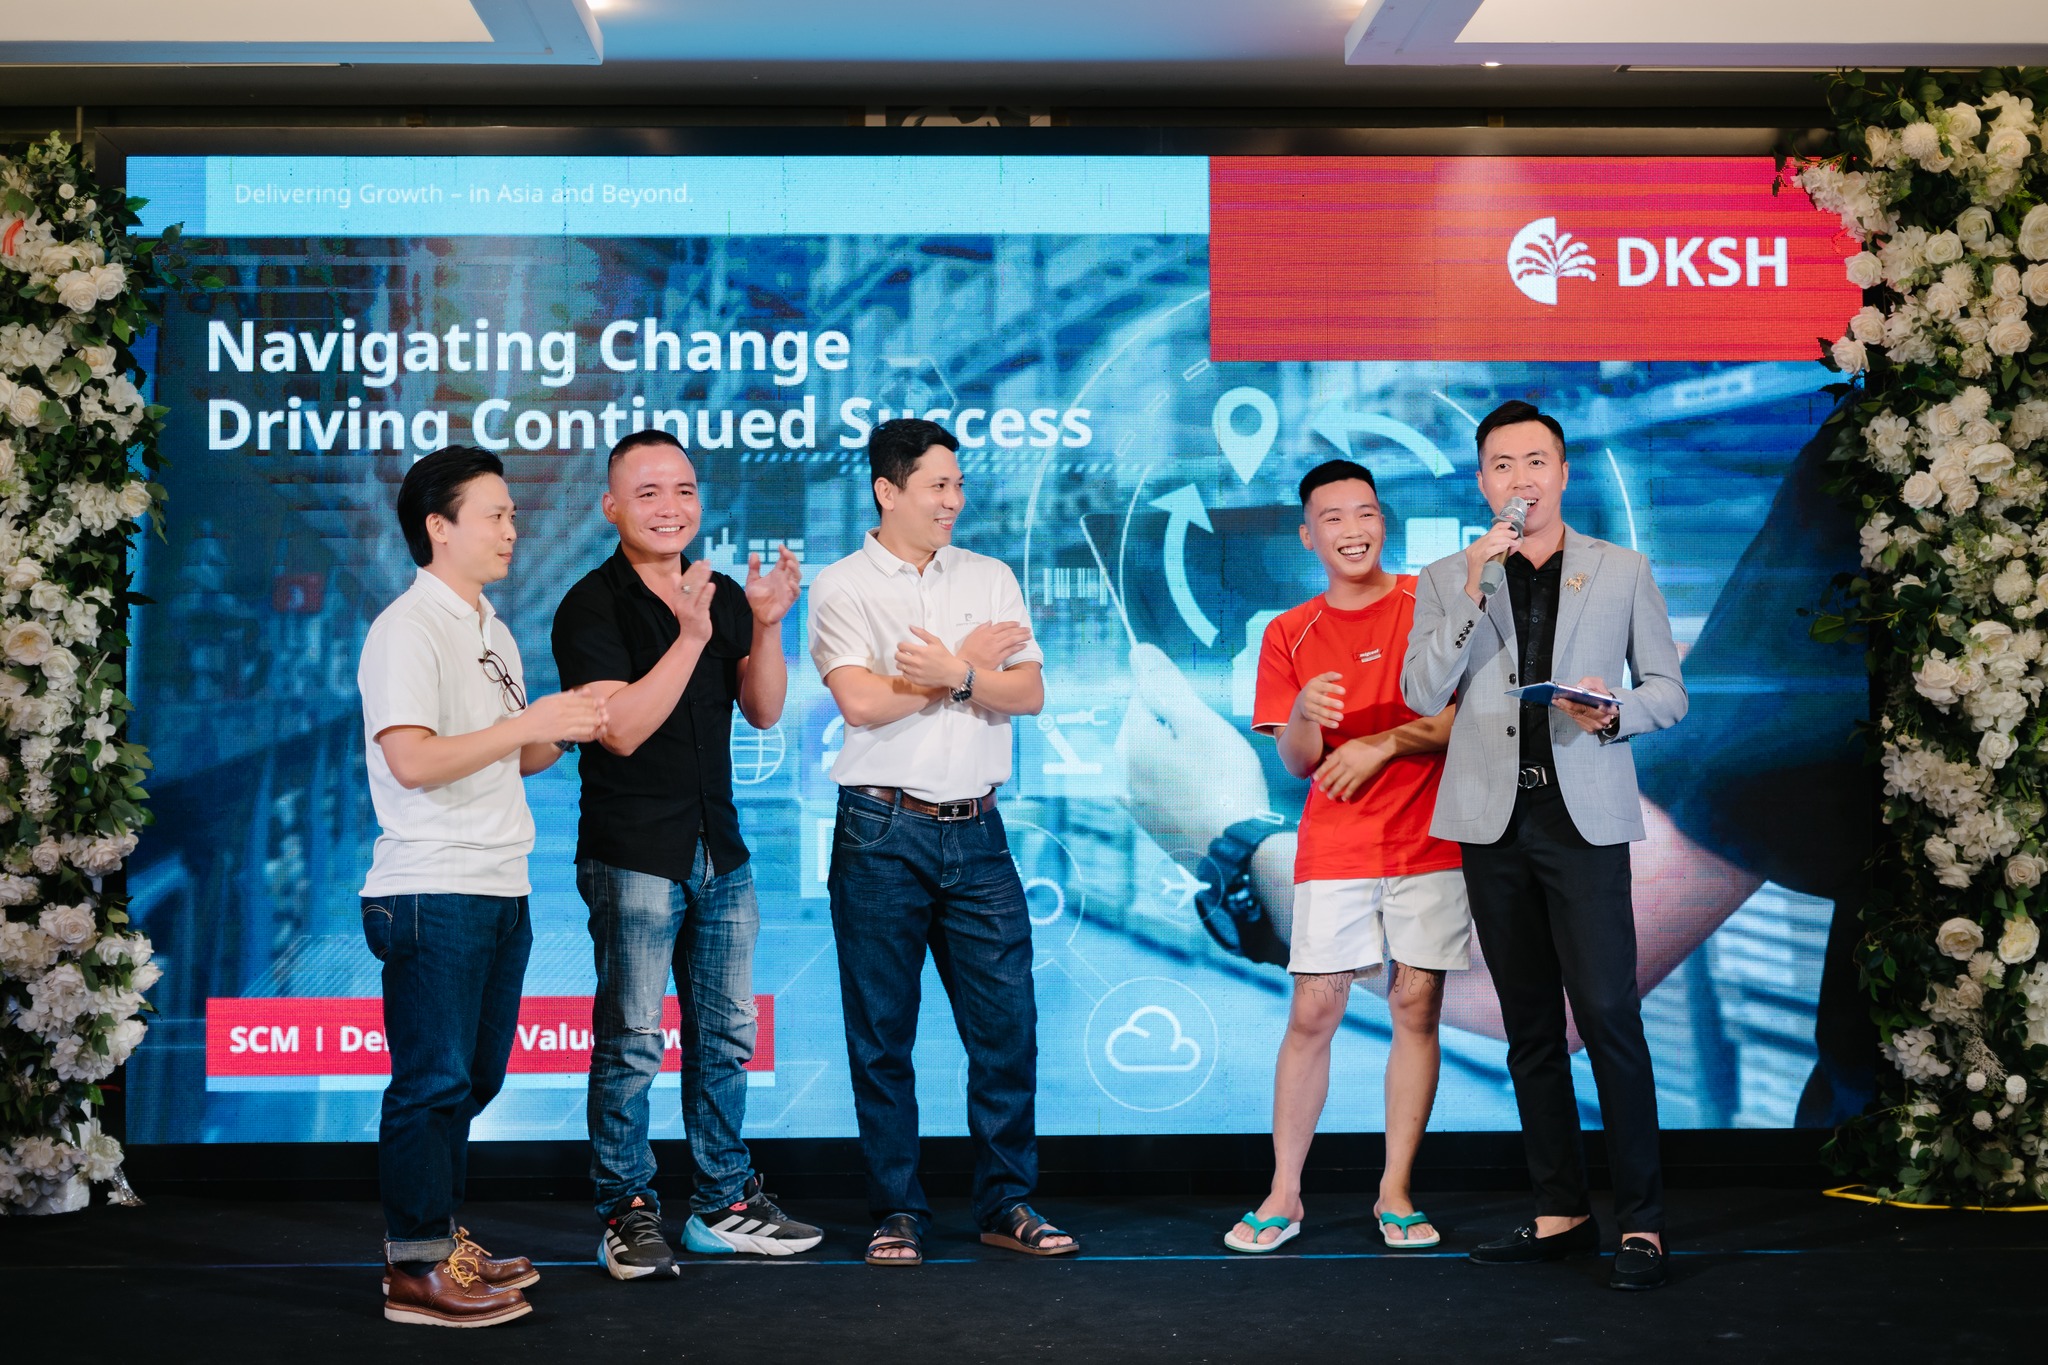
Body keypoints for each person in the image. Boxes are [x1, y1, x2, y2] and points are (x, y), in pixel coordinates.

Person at [1401, 399, 1687, 1291]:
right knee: (1528, 1026)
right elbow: (1421, 691)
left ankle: (1642, 1222)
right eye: (1502, 465)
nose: (1520, 479)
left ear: (1563, 473)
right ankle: (1561, 1211)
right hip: (1493, 823)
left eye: (1535, 462)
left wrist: (1613, 710)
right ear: (1482, 481)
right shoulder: (1451, 575)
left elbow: (1670, 691)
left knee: (1606, 1014)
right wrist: (1473, 583)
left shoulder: (1620, 568)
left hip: (1583, 820)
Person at [805, 417, 1077, 1266]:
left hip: (979, 829)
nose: (954, 500)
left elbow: (1027, 691)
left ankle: (1006, 1199)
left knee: (1008, 1026)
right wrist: (966, 669)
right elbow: (860, 703)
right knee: (882, 1035)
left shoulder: (990, 576)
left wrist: (951, 672)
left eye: (958, 484)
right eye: (937, 486)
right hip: (880, 829)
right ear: (888, 491)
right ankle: (896, 1208)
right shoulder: (842, 586)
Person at [551, 429, 818, 1279]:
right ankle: (626, 1209)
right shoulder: (590, 605)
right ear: (612, 506)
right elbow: (621, 730)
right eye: (649, 492)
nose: (671, 507)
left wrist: (767, 625)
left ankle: (723, 1200)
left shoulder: (721, 592)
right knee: (632, 1037)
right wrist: (693, 636)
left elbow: (764, 710)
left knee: (727, 1034)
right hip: (633, 850)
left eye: (685, 490)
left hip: (719, 847)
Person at [357, 445, 604, 1327]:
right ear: (439, 526)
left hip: (499, 882)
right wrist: (530, 722)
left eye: (510, 514)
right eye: (494, 514)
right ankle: (415, 1269)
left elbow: (514, 754)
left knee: (471, 1079)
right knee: (430, 1083)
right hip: (434, 885)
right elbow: (415, 759)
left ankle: (439, 1238)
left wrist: (562, 726)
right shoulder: (406, 629)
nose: (511, 529)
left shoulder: (490, 629)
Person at [1216, 460, 1464, 1255]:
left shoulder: (1433, 604)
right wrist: (1302, 714)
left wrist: (1383, 743)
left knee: (1415, 1006)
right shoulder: (1289, 632)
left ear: (1382, 521)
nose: (1353, 530)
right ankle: (1284, 1192)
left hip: (1432, 841)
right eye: (1333, 517)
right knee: (1313, 1011)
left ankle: (1396, 1190)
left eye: (1365, 513)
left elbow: (1469, 716)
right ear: (1308, 535)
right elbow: (1295, 760)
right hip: (1337, 845)